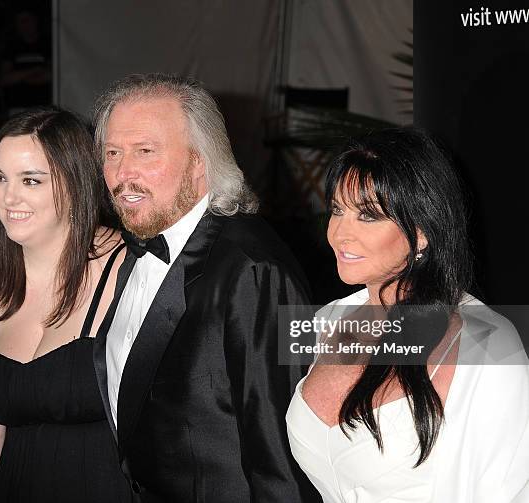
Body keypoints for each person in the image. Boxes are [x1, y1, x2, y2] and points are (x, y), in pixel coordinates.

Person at [92, 73, 321, 502]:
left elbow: (283, 463)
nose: (123, 174)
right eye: (112, 153)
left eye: (146, 151)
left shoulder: (253, 271)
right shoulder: (133, 251)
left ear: (200, 161)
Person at [286, 128, 529, 502]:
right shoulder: (326, 322)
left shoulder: (489, 348)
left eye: (368, 216)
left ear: (422, 232)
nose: (339, 233)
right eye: (337, 209)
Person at [0, 107, 130, 502]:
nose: (8, 196)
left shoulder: (130, 269)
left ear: (75, 182)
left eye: (30, 180)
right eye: (0, 178)